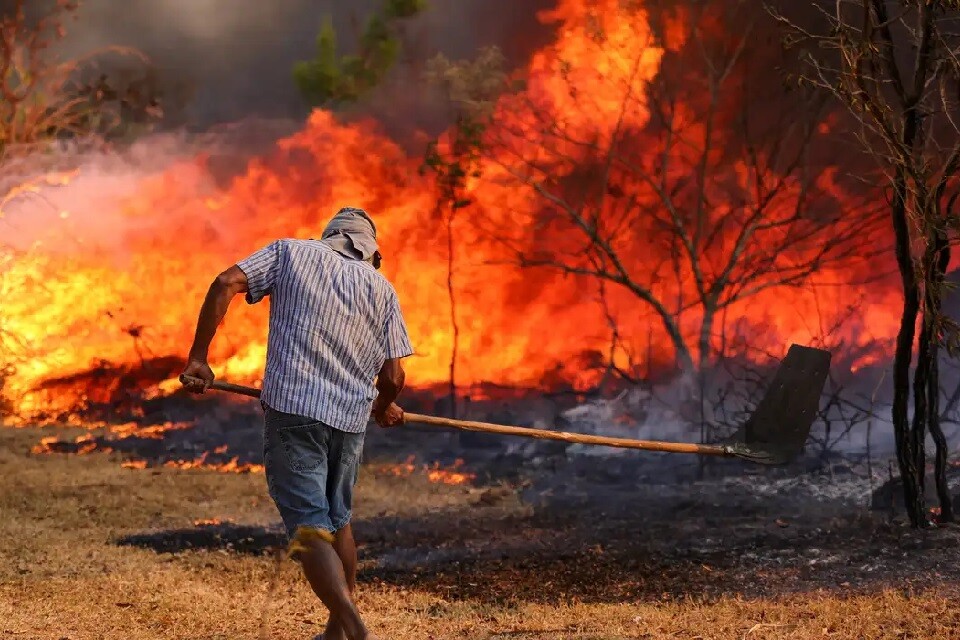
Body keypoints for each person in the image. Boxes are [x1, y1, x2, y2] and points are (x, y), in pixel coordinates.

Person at [180, 207, 413, 640]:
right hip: (348, 422)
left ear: (329, 237)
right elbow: (394, 378)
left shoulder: (290, 253)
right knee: (338, 519)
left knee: (309, 524)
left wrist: (199, 358)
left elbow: (225, 282)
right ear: (370, 252)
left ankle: (353, 627)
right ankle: (335, 634)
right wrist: (383, 405)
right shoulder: (382, 289)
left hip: (295, 413)